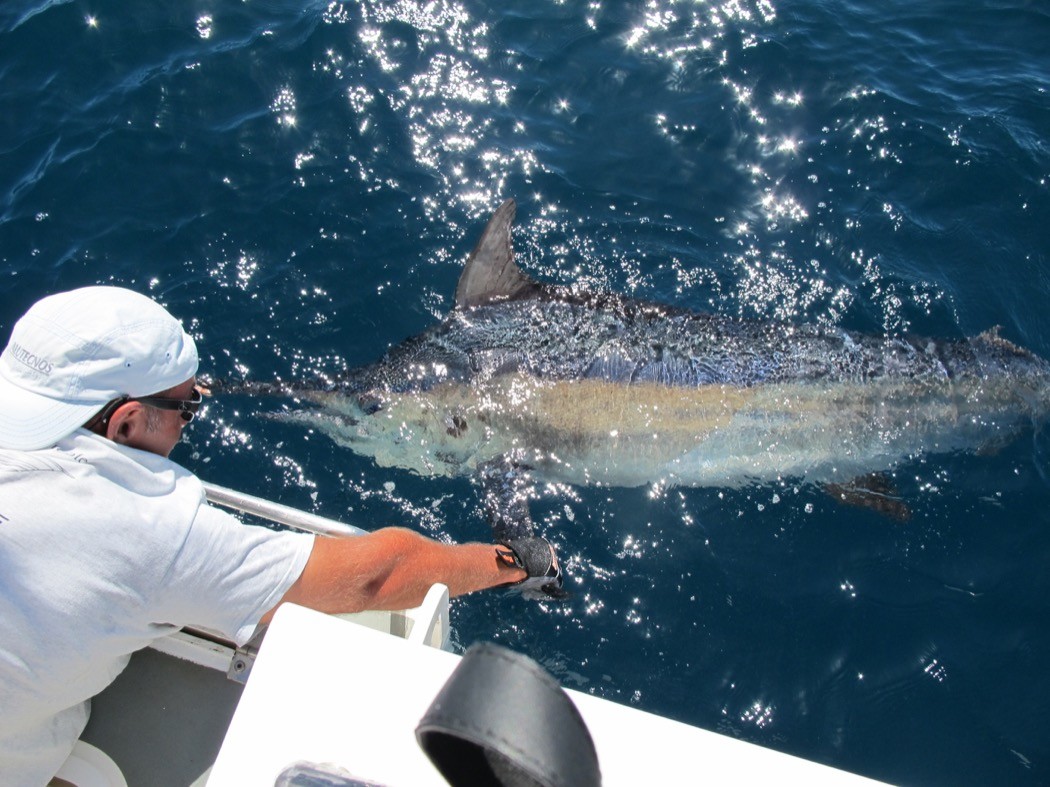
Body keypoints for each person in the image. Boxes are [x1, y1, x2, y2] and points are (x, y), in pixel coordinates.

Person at [0, 286, 562, 786]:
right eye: (186, 409)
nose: (188, 421)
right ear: (123, 423)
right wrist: (515, 559)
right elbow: (378, 577)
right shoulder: (148, 528)